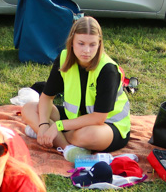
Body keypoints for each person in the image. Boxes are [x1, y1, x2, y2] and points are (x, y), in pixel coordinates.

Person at [21, 17, 131, 162]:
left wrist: (57, 126)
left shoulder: (108, 69)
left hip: (108, 126)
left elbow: (98, 118)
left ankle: (51, 136)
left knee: (88, 135)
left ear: (99, 44)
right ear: (72, 41)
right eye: (81, 43)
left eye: (92, 45)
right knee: (29, 107)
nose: (86, 50)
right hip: (73, 120)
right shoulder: (64, 58)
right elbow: (47, 97)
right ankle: (68, 149)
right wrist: (42, 125)